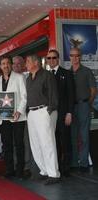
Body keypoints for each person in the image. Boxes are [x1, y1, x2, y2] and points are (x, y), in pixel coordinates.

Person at [25, 54, 60, 185]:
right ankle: (44, 170)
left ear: (36, 63)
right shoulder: (28, 78)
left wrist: (49, 111)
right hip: (32, 112)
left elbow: (53, 95)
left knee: (47, 143)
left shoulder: (47, 75)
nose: (26, 64)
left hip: (44, 110)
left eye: (28, 61)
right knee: (36, 144)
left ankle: (54, 174)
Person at [0, 56, 27, 178]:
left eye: (8, 63)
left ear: (11, 65)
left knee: (19, 144)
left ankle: (20, 170)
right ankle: (9, 169)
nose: (5, 65)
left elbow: (25, 96)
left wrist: (19, 111)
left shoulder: (20, 77)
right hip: (4, 117)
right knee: (6, 144)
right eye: (3, 63)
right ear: (0, 66)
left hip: (17, 117)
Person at [46, 49, 75, 177]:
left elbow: (71, 95)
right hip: (50, 115)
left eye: (54, 58)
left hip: (64, 114)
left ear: (58, 59)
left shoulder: (66, 73)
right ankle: (56, 167)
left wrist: (69, 113)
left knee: (65, 140)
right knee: (54, 141)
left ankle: (66, 167)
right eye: (49, 58)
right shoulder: (45, 75)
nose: (51, 60)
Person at [70, 48, 96, 172]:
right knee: (73, 135)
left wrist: (87, 103)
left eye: (77, 55)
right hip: (71, 108)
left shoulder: (87, 71)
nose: (74, 58)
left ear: (80, 57)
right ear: (70, 57)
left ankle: (84, 163)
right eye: (72, 56)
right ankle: (75, 162)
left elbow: (93, 90)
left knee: (84, 135)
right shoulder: (68, 72)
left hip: (83, 105)